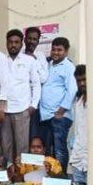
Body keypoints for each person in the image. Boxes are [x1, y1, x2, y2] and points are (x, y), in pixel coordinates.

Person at [1, 29, 40, 162]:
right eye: (10, 42)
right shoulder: (1, 60)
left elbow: (36, 84)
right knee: (6, 147)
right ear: (6, 43)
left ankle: (21, 179)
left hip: (23, 110)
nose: (13, 45)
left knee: (22, 148)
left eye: (16, 42)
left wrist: (33, 106)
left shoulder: (29, 61)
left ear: (21, 43)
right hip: (5, 111)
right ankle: (6, 179)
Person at [38, 37, 77, 171]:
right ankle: (50, 178)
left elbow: (72, 90)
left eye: (59, 50)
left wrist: (61, 110)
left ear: (66, 52)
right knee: (49, 150)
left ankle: (60, 178)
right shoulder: (49, 64)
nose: (55, 52)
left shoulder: (68, 67)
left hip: (60, 116)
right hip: (46, 115)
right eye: (53, 49)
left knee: (59, 149)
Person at [24, 26, 49, 141]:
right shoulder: (19, 54)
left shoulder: (40, 57)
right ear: (25, 39)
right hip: (19, 103)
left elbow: (43, 78)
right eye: (29, 38)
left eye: (35, 39)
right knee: (21, 136)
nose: (31, 42)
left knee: (33, 134)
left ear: (38, 41)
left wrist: (34, 60)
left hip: (34, 104)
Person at [68, 64, 87, 185]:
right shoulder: (78, 100)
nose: (82, 83)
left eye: (85, 79)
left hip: (91, 160)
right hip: (77, 158)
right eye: (79, 81)